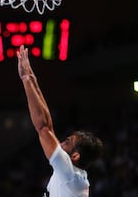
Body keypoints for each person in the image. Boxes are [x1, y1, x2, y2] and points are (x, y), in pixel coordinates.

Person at [16, 45, 103, 197]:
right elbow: (48, 126)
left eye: (68, 142)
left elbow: (43, 128)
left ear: (75, 156)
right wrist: (31, 79)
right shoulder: (70, 174)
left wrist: (25, 80)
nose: (61, 142)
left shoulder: (70, 177)